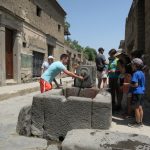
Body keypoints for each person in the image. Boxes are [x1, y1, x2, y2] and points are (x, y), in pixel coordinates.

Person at [128, 58, 145, 127]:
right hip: (142, 92)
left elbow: (135, 84)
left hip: (136, 92)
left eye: (132, 65)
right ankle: (140, 122)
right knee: (140, 107)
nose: (131, 66)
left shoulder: (135, 74)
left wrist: (129, 84)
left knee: (136, 108)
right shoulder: (142, 73)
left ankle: (137, 123)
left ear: (135, 65)